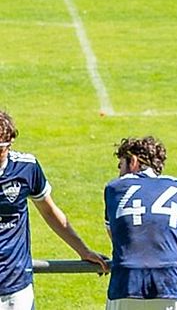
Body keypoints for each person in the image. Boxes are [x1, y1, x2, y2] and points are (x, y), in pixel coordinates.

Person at [0, 109, 109, 309]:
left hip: (15, 284)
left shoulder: (26, 167)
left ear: (10, 143)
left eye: (0, 148)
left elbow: (50, 212)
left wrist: (83, 250)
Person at [105, 136, 177, 309]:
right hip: (171, 281)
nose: (119, 173)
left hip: (126, 281)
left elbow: (119, 236)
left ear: (133, 161)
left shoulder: (115, 188)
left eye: (121, 166)